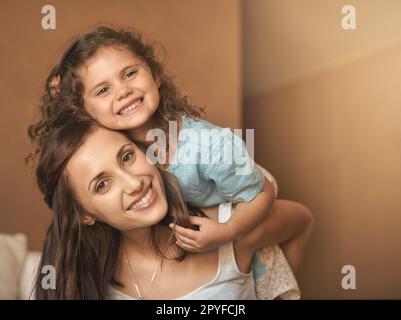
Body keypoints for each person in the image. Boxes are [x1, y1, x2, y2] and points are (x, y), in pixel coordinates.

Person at [28, 27, 313, 292]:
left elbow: (265, 192)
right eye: (103, 90)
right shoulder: (104, 147)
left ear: (155, 76)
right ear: (82, 112)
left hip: (243, 207)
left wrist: (228, 232)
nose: (123, 90)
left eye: (129, 74)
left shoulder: (209, 146)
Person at [32, 115, 312, 299]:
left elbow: (302, 221)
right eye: (102, 184)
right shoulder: (89, 282)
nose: (134, 183)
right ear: (84, 214)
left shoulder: (230, 227)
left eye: (127, 157)